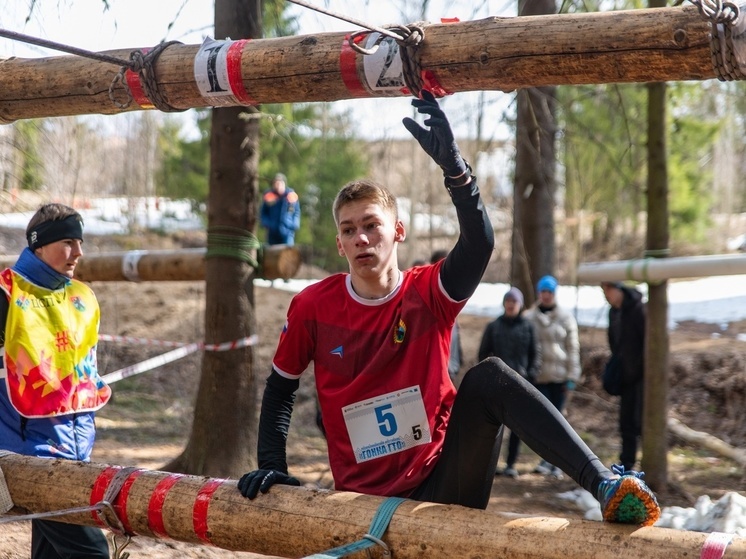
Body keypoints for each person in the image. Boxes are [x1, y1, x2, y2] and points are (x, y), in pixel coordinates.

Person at [238, 90, 660, 526]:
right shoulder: (312, 305)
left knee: (490, 376)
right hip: (359, 503)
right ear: (339, 243)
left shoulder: (427, 292)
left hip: (445, 482)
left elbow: (479, 244)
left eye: (371, 225)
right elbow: (280, 389)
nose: (361, 238)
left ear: (397, 231)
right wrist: (273, 463)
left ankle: (604, 483)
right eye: (349, 230)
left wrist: (456, 171)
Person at [0, 203, 111, 559]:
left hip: (76, 453)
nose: (78, 252)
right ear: (38, 245)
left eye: (80, 242)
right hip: (31, 459)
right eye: (67, 242)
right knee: (92, 554)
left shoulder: (81, 298)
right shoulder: (6, 296)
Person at [477, 286, 540, 478]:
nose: (511, 305)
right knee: (494, 426)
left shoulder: (528, 327)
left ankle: (511, 463)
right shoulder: (493, 326)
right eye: (508, 301)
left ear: (520, 305)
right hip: (497, 384)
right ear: (504, 303)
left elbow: (535, 354)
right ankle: (490, 464)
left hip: (520, 384)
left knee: (517, 428)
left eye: (515, 302)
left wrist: (531, 375)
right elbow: (483, 354)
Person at [524, 275, 581, 479]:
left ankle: (559, 462)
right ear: (539, 293)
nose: (546, 296)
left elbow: (573, 347)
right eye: (543, 292)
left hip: (560, 377)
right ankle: (544, 459)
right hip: (539, 378)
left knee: (560, 422)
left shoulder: (566, 318)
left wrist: (573, 375)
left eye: (550, 292)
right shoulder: (529, 318)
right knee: (543, 421)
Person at [601, 281, 646, 472]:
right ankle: (627, 463)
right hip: (624, 376)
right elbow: (614, 341)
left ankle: (643, 462)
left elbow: (647, 343)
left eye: (608, 291)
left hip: (641, 376)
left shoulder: (639, 310)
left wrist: (639, 368)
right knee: (626, 422)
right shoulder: (613, 312)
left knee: (639, 421)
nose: (606, 296)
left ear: (617, 289)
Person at [430, 249, 463, 382]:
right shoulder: (423, 301)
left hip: (448, 374)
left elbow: (455, 343)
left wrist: (453, 368)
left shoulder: (453, 299)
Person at [260, 173, 301, 246]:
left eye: (280, 183)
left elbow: (296, 212)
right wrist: (267, 224)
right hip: (272, 233)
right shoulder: (269, 196)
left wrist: (294, 224)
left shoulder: (291, 196)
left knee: (287, 254)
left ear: (284, 184)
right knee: (272, 254)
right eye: (276, 183)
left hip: (287, 233)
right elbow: (263, 212)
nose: (278, 186)